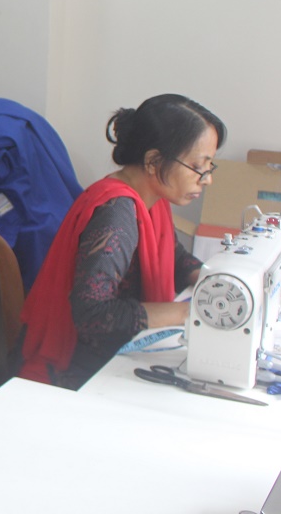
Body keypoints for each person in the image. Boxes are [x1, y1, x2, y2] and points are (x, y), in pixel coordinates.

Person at [18, 94, 225, 389]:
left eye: (209, 166)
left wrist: (216, 282)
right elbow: (92, 314)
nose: (206, 179)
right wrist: (187, 312)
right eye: (197, 166)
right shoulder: (116, 214)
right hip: (77, 373)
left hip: (110, 356)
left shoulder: (151, 198)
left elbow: (175, 256)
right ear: (154, 161)